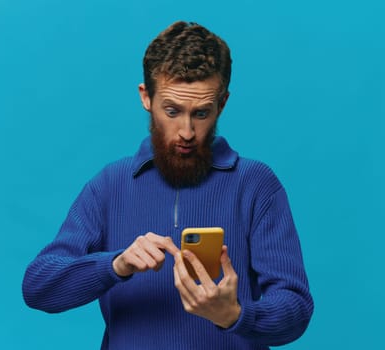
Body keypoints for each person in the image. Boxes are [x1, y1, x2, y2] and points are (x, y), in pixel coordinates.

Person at [22, 21, 313, 349]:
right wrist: (117, 265)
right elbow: (38, 287)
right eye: (172, 111)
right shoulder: (110, 185)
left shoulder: (256, 185)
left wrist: (234, 315)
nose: (187, 131)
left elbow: (296, 309)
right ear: (146, 97)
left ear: (222, 103)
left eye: (201, 114)